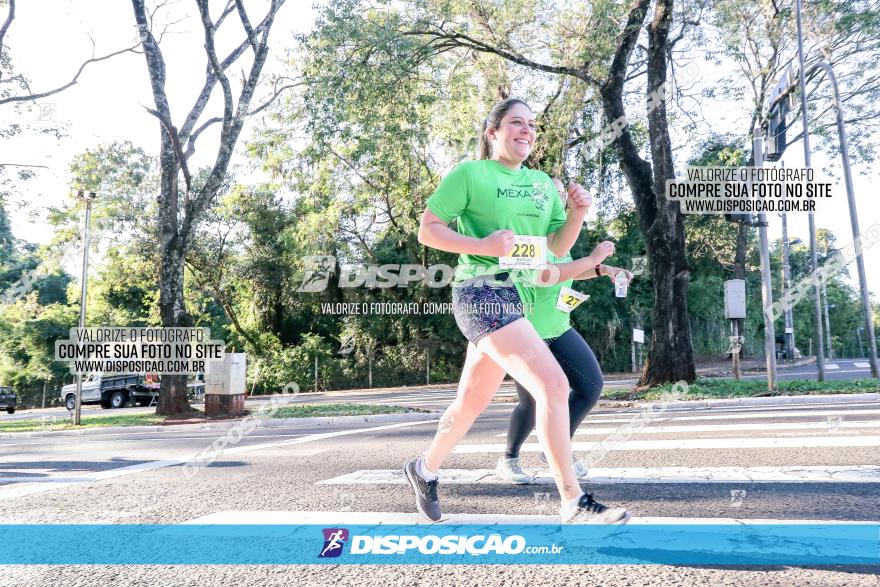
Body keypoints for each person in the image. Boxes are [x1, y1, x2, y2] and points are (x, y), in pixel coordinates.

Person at [402, 98, 629, 524]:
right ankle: (573, 500)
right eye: (515, 123)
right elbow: (429, 230)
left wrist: (578, 213)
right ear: (493, 133)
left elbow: (554, 251)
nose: (525, 131)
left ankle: (423, 469)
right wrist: (482, 247)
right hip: (481, 293)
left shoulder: (543, 184)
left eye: (531, 125)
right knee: (554, 385)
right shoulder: (471, 174)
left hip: (517, 297)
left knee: (470, 402)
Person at [496, 177, 633, 484]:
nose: (560, 199)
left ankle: (556, 446)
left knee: (590, 386)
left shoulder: (563, 237)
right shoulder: (524, 235)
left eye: (562, 193)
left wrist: (604, 270)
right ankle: (509, 459)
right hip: (526, 332)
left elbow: (570, 271)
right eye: (553, 194)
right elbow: (544, 276)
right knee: (532, 404)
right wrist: (594, 259)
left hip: (558, 327)